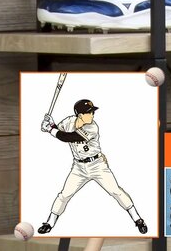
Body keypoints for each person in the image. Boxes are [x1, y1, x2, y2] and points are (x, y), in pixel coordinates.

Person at [39, 99, 148, 235]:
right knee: (64, 195)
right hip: (78, 167)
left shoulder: (92, 127)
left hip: (97, 165)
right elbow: (60, 131)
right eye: (88, 113)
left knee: (116, 191)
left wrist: (50, 129)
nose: (92, 115)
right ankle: (49, 223)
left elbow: (68, 137)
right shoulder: (69, 122)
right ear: (80, 115)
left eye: (92, 112)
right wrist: (50, 124)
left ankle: (138, 219)